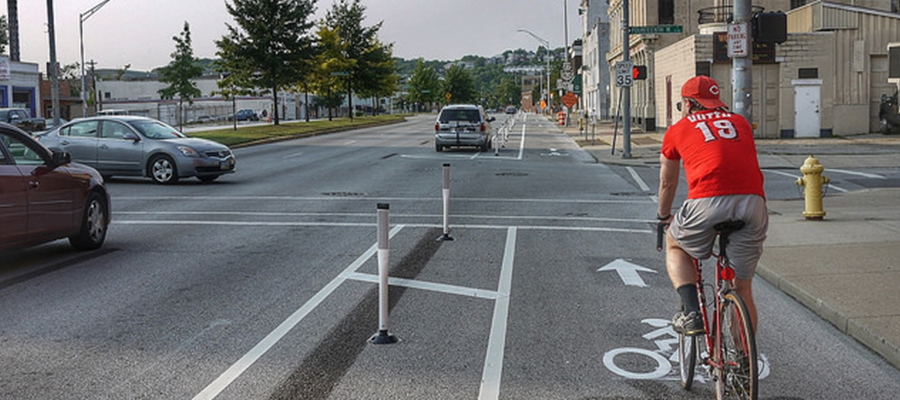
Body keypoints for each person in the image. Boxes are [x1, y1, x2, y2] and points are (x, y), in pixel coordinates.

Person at [657, 75, 768, 336]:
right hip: (753, 203)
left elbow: (668, 183)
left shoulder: (678, 129)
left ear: (687, 103)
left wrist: (664, 216)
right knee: (742, 288)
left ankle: (692, 313)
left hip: (706, 200)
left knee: (675, 245)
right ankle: (742, 367)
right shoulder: (740, 122)